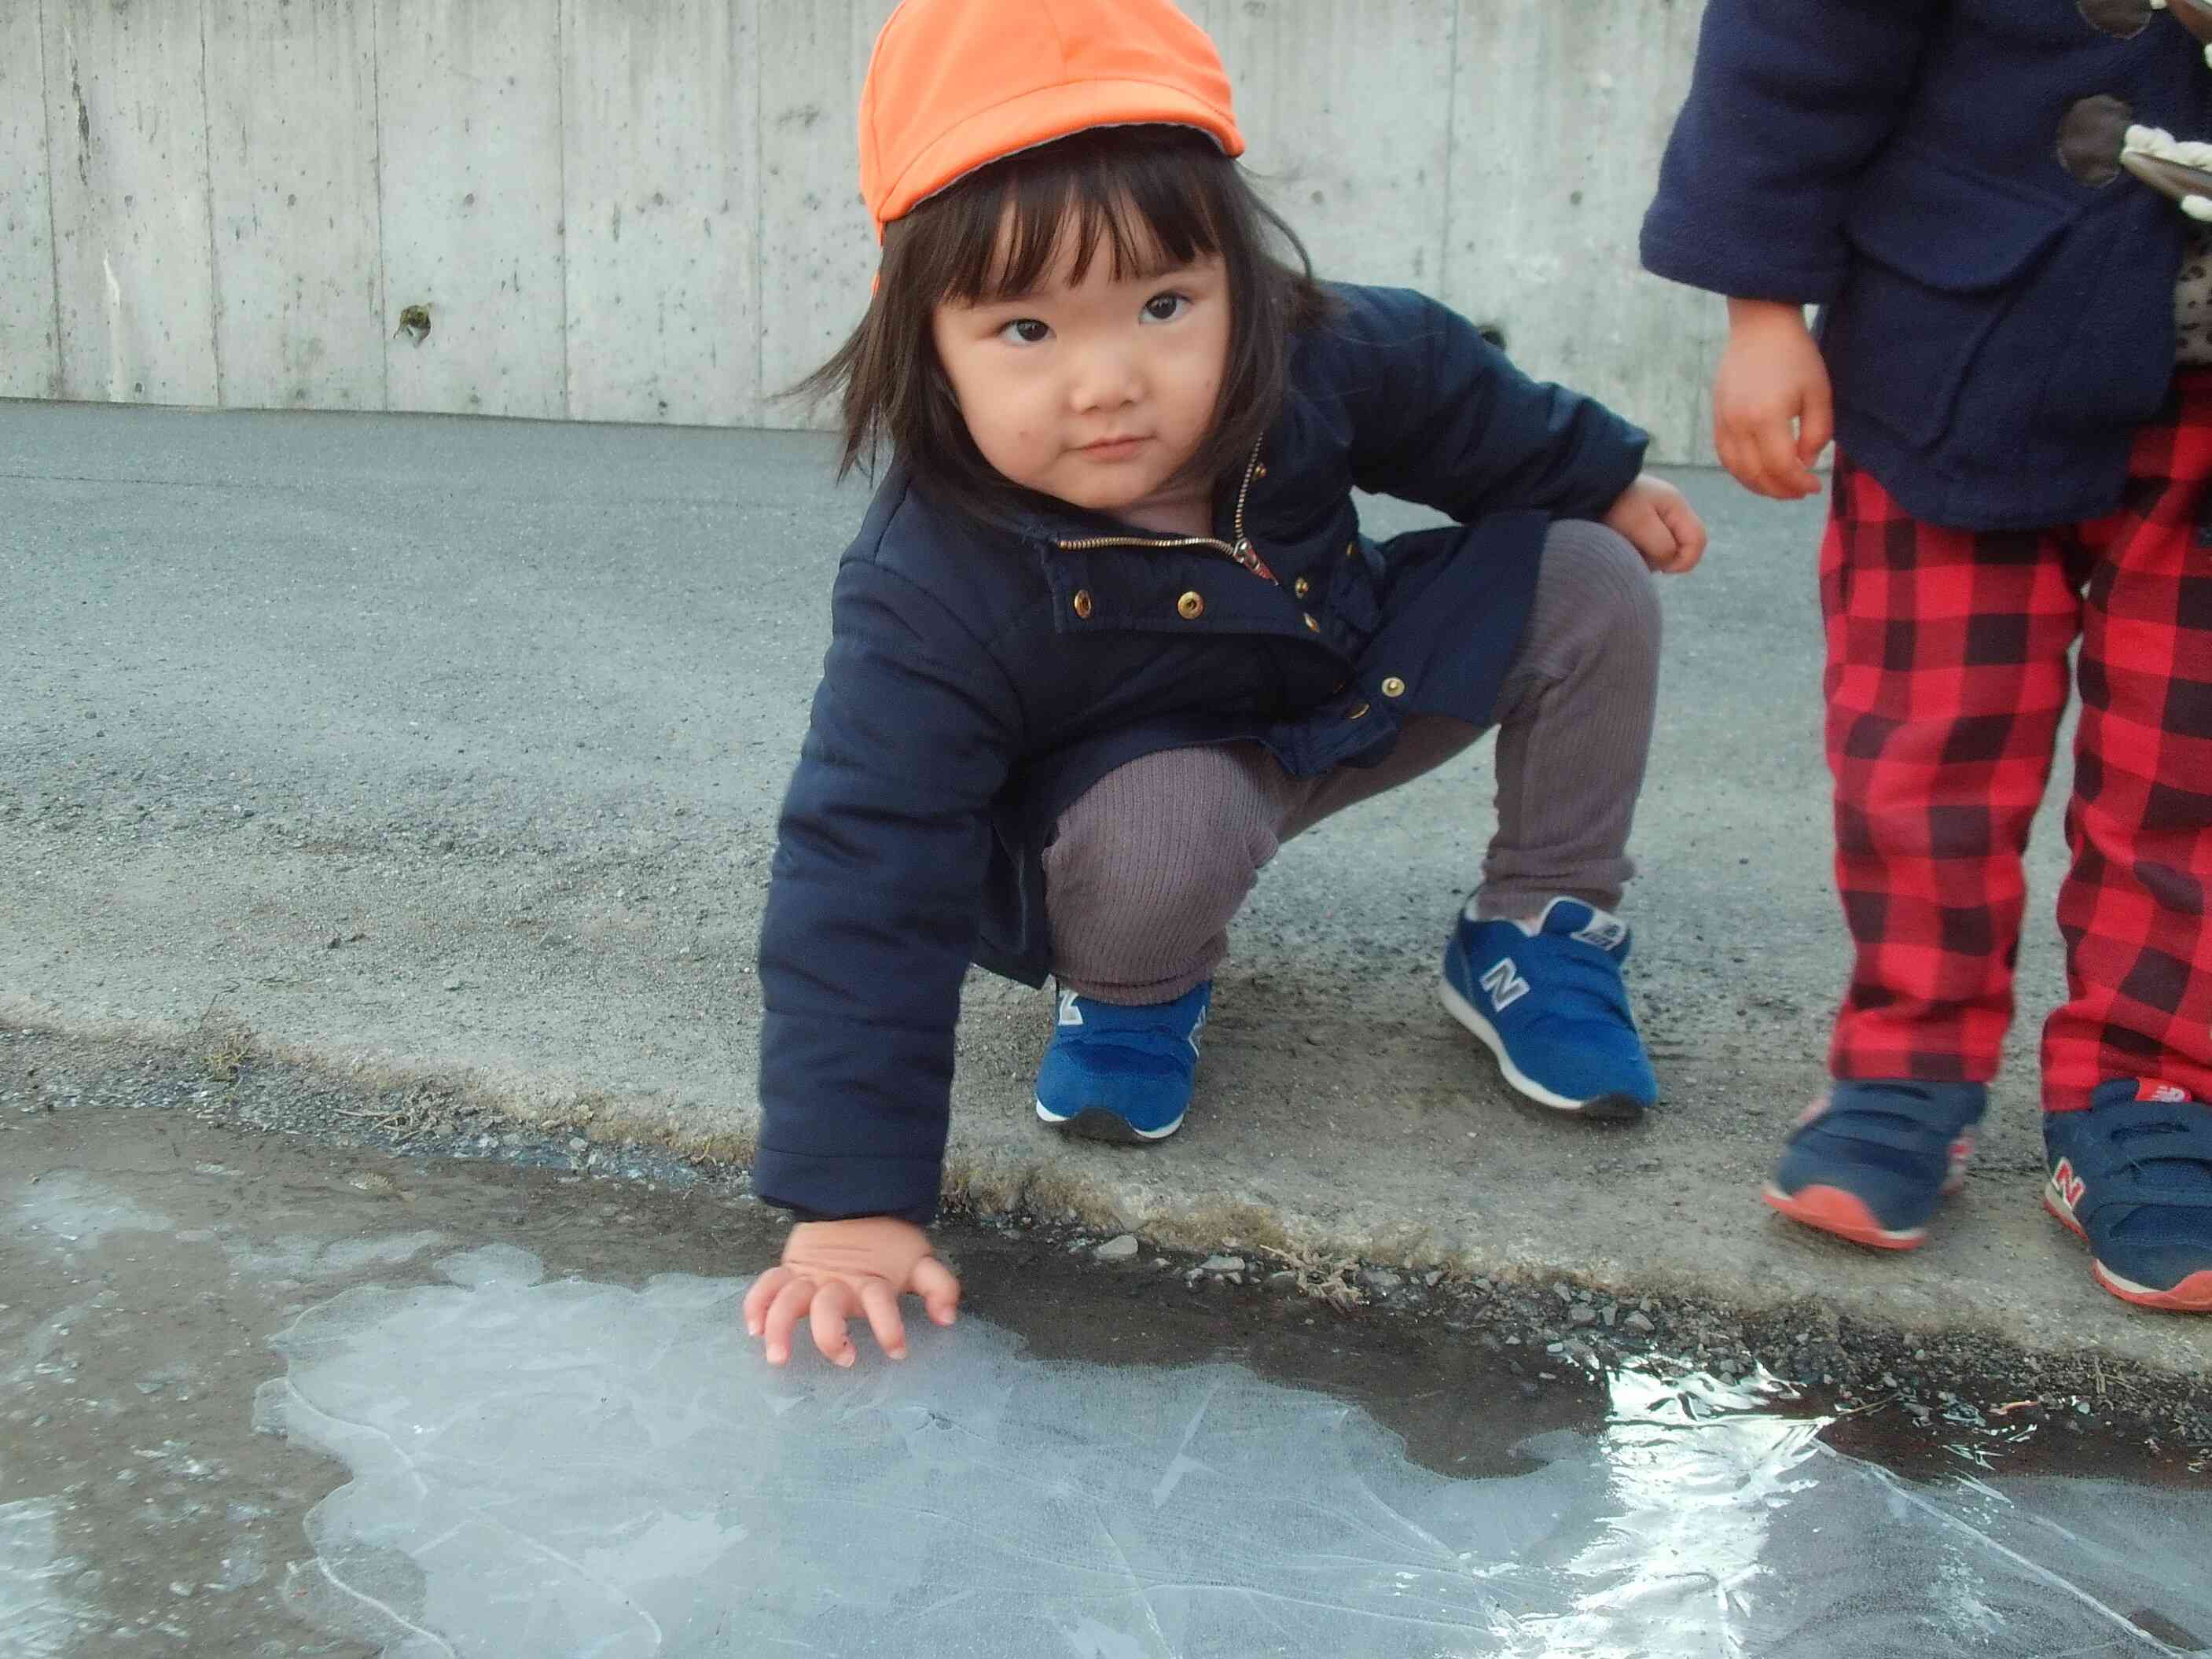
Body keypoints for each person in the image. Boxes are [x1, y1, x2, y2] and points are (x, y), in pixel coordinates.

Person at [743, 0, 1707, 1369]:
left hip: (1341, 683)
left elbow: (1452, 392)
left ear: (1240, 282)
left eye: (1162, 303)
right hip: (1141, 796)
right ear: (926, 344)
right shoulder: (931, 578)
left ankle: (1536, 926)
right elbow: (865, 860)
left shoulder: (1310, 355)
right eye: (1026, 329)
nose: (1110, 380)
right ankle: (1131, 995)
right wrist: (848, 1203)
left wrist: (1598, 475)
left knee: (1586, 578)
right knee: (1165, 825)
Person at [1642, 0, 2212, 1311]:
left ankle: (2154, 1087)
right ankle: (1905, 1062)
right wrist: (1761, 310)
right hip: (1955, 336)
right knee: (1923, 746)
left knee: (2188, 765)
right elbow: (1792, 51)